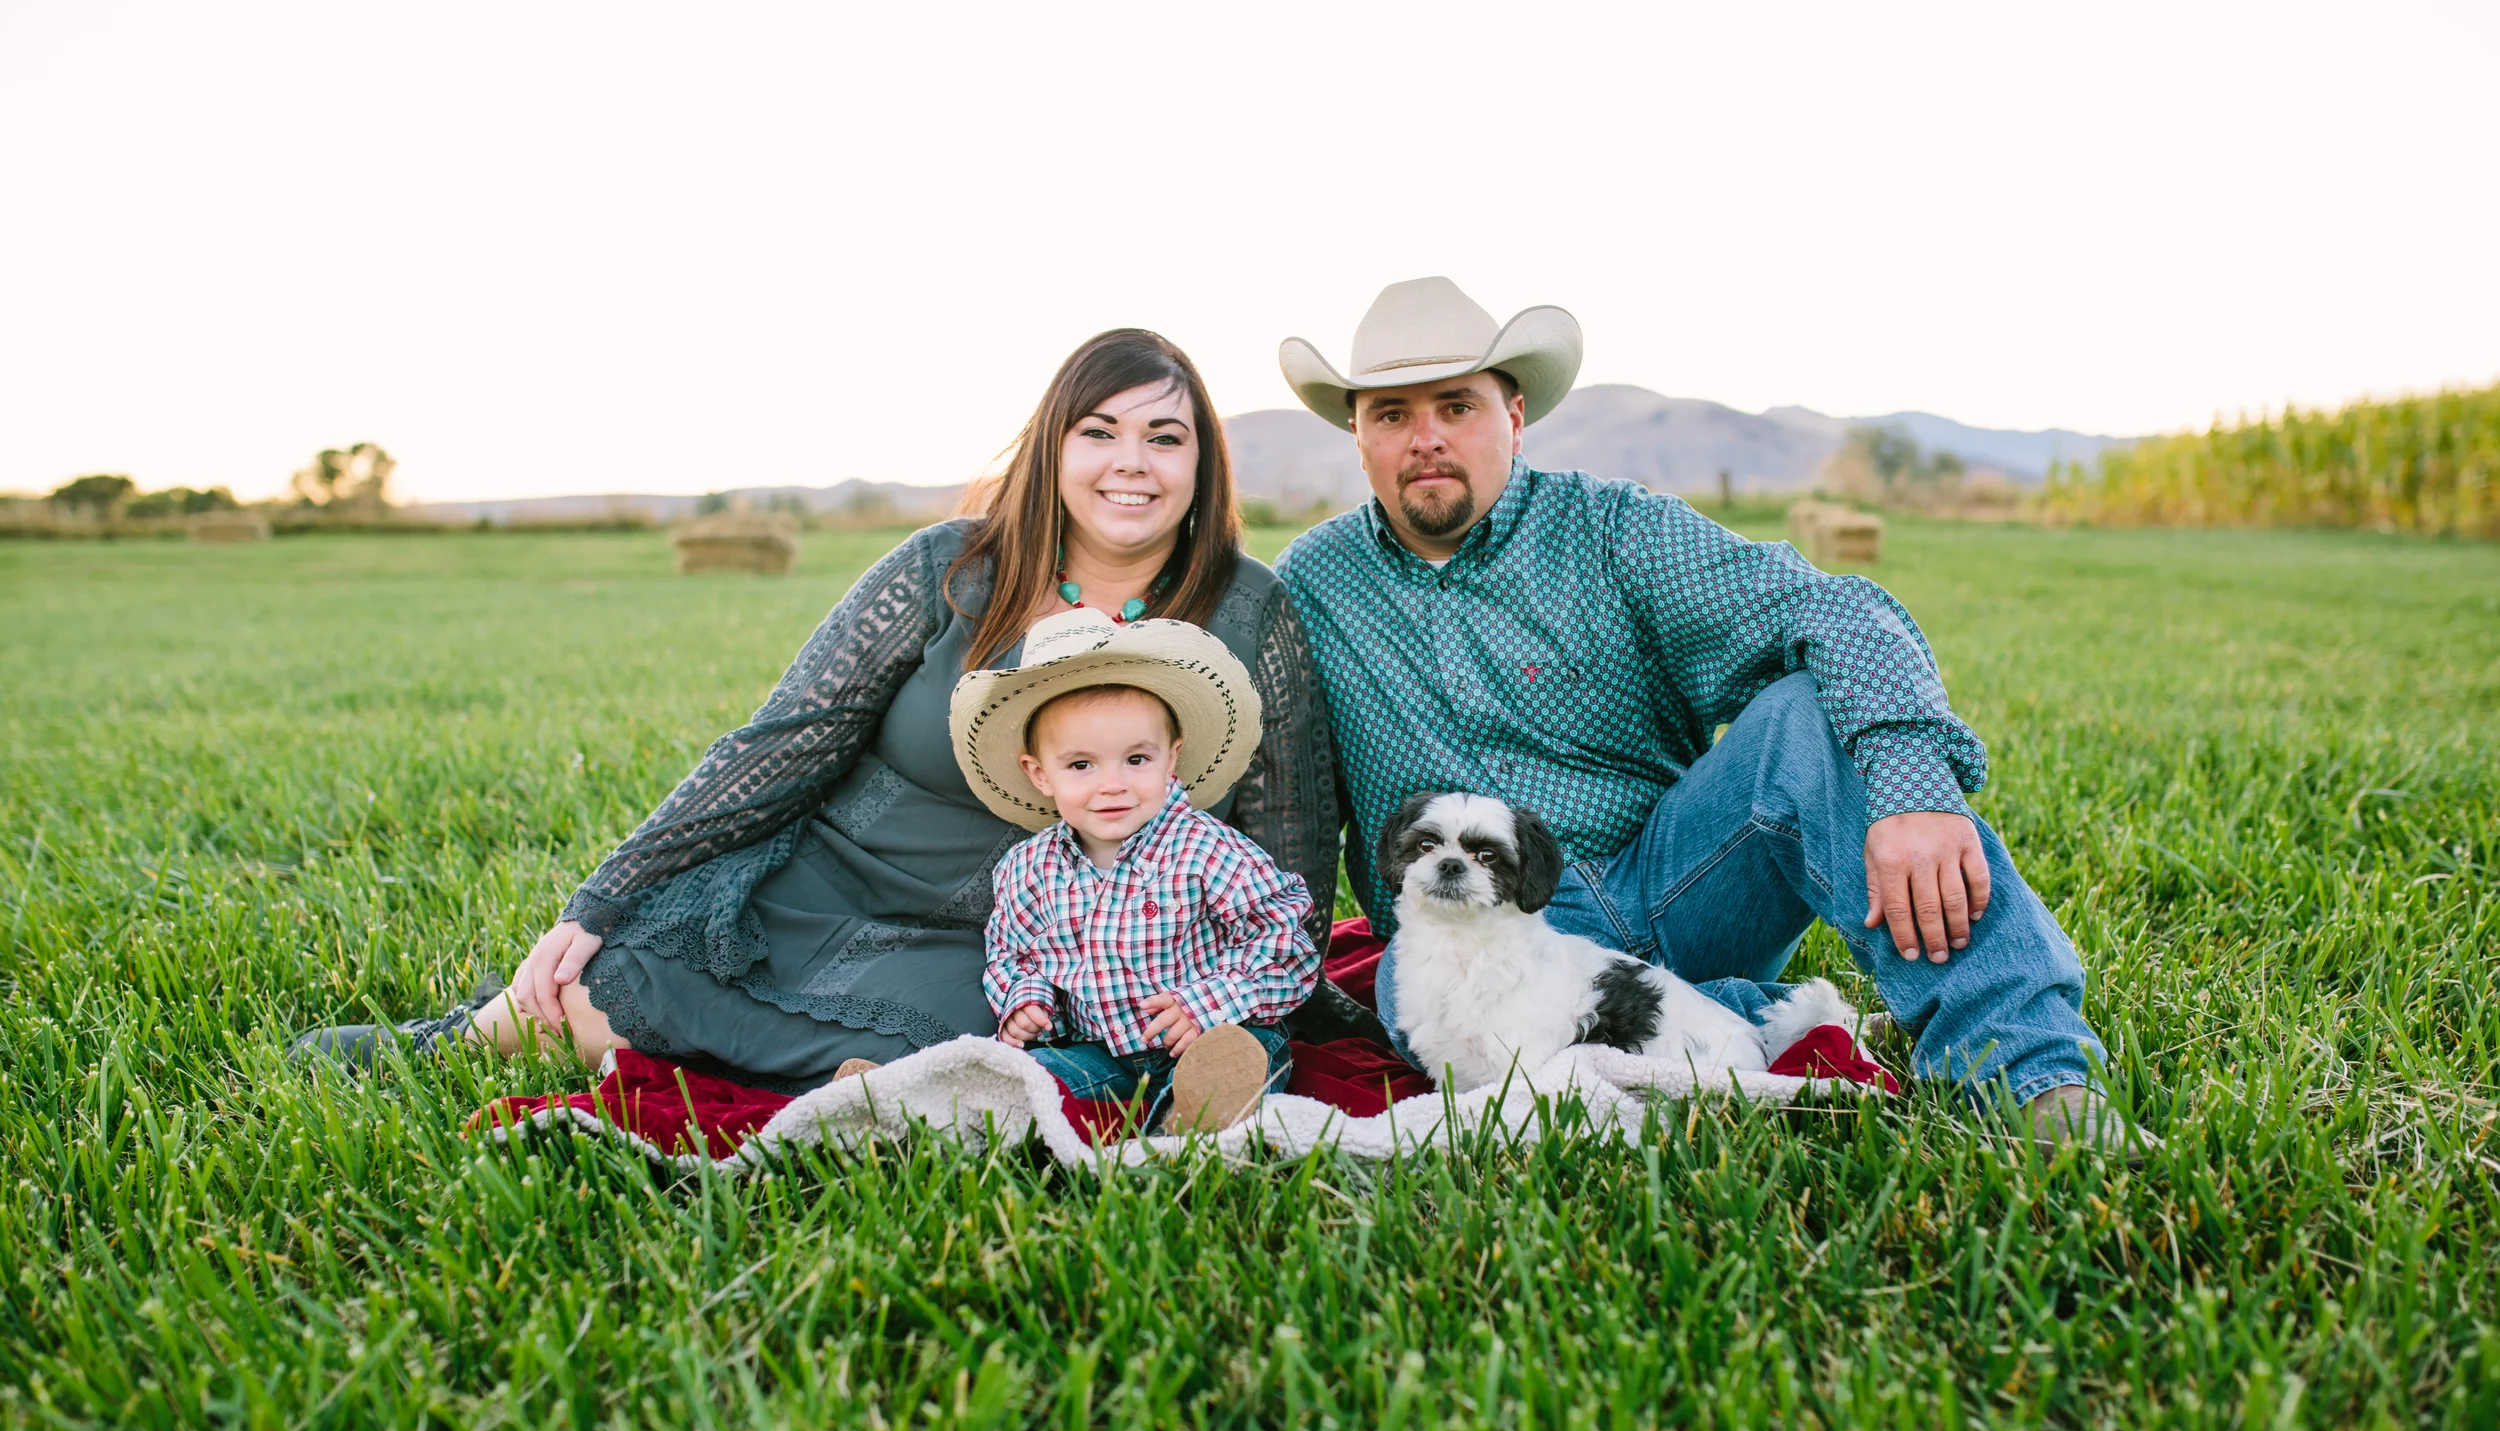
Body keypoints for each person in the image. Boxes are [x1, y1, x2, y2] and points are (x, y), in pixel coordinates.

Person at [292, 329, 1341, 1091]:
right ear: (1053, 447)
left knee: (990, 1055)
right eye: (1099, 430)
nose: (1130, 462)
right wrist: (601, 897)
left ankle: (833, 1080)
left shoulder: (1250, 611)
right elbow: (782, 745)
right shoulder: (946, 568)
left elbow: (1288, 838)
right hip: (827, 882)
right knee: (623, 973)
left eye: (1165, 437)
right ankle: (478, 1034)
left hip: (1012, 943)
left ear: (1201, 460)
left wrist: (1266, 995)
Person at [1272, 277, 2147, 1149]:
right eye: (1390, 414)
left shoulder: (1615, 530)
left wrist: (1914, 784)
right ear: (1357, 434)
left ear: (1515, 414)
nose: (1425, 439)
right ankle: (1767, 1022)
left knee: (1805, 715)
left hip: (1676, 883)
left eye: (1456, 405)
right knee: (1402, 980)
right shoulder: (1311, 583)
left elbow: (1837, 610)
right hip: (1475, 939)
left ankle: (2030, 1074)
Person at [953, 609, 1319, 1131]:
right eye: (1081, 765)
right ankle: (924, 1105)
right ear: (1039, 774)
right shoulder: (1028, 869)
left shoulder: (1205, 849)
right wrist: (1027, 1002)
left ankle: (1192, 1116)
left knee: (1243, 1056)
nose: (1113, 784)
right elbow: (1014, 953)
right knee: (1026, 1077)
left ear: (1171, 759)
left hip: (1211, 1034)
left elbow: (1286, 945)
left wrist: (1208, 1002)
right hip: (1100, 1055)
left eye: (1136, 760)